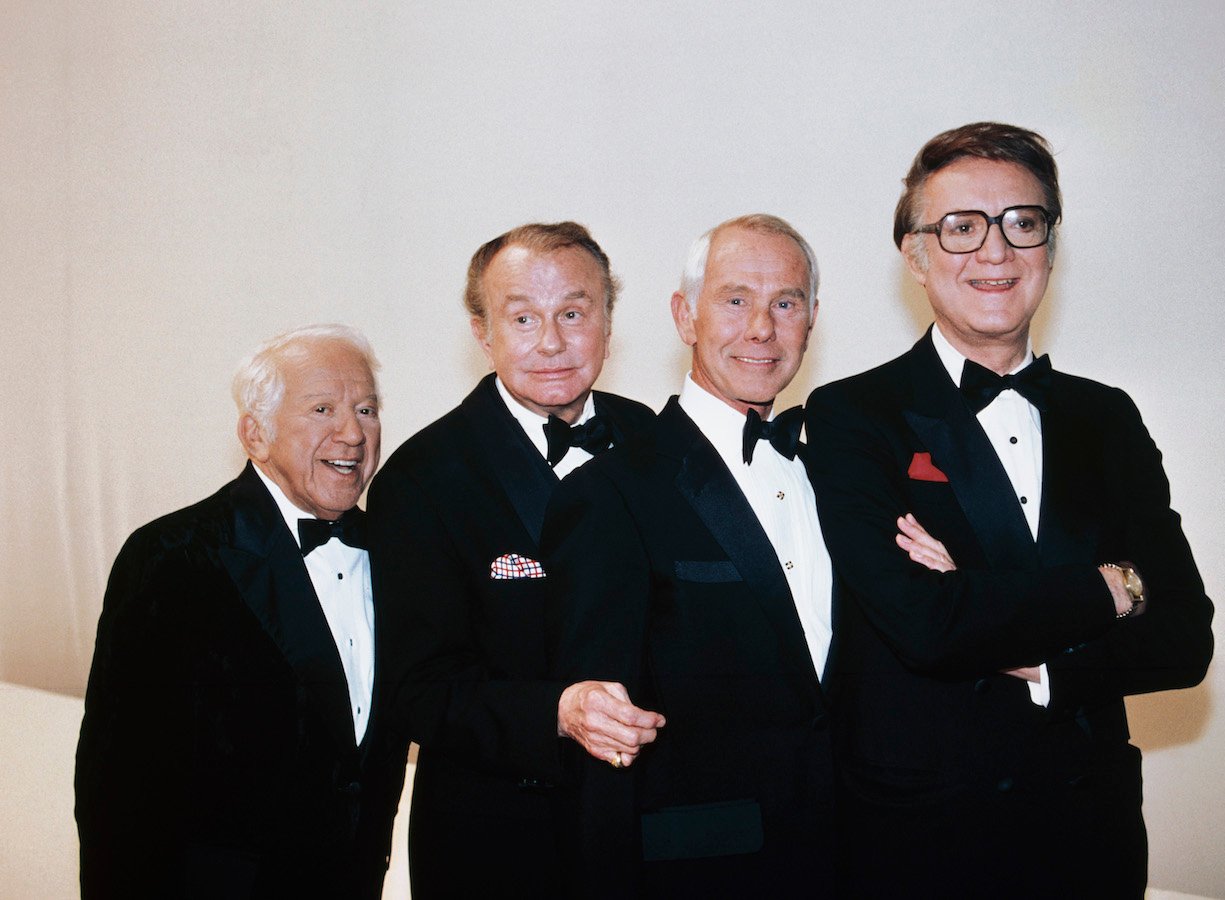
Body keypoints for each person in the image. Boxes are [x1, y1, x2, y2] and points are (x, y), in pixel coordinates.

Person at [805, 122, 1215, 897]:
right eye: (961, 228)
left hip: (1090, 833)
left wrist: (1027, 645)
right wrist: (1112, 588)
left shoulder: (1108, 417)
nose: (995, 252)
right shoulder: (850, 415)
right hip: (923, 841)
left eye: (1023, 223)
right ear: (916, 256)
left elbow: (1186, 638)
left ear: (1050, 249)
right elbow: (923, 623)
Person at [543, 214, 837, 898]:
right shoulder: (610, 494)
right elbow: (603, 746)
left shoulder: (840, 476)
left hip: (851, 855)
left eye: (785, 303)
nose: (761, 327)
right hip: (698, 872)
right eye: (735, 300)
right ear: (686, 316)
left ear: (811, 319)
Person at [367, 222, 660, 897]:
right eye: (523, 317)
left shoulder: (651, 438)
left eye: (573, 313)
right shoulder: (422, 479)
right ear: (482, 331)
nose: (552, 342)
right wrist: (556, 711)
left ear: (609, 323)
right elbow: (417, 691)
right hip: (499, 841)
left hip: (646, 827)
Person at [75, 324, 404, 899]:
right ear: (255, 434)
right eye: (322, 408)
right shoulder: (173, 557)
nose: (352, 433)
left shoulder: (402, 556)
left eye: (367, 409)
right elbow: (115, 789)